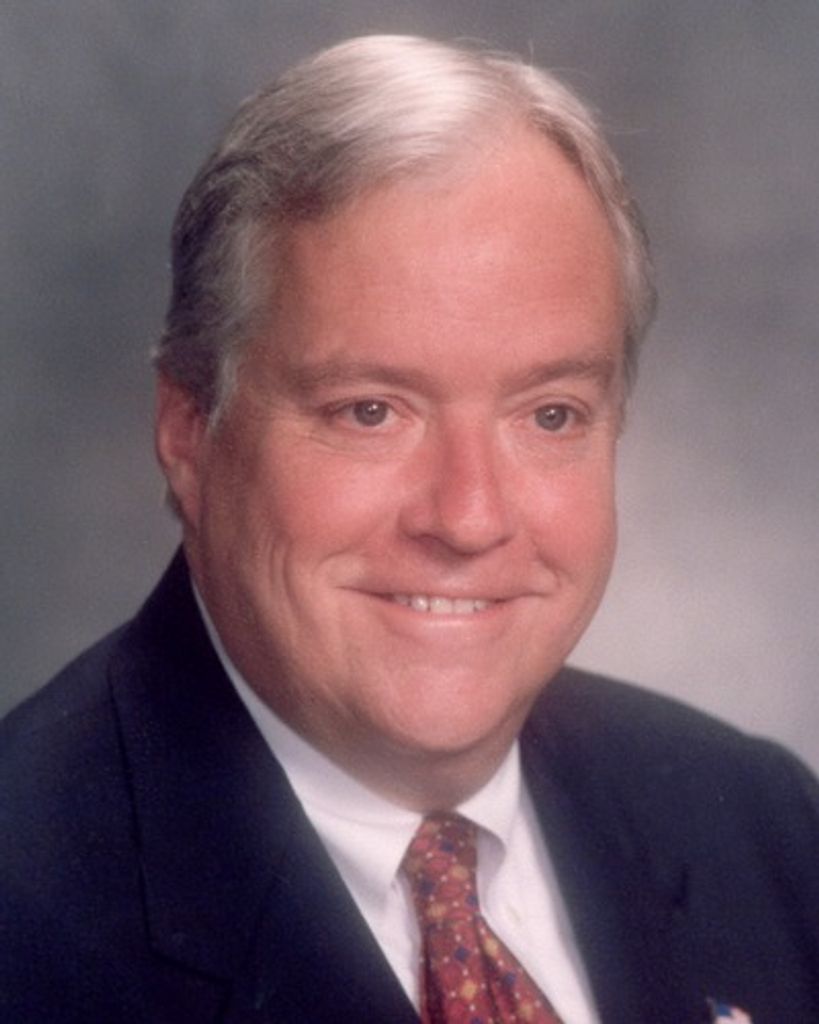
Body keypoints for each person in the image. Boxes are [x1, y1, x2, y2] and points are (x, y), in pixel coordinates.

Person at [1, 34, 817, 1024]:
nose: (469, 517)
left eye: (549, 414)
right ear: (188, 433)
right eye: (370, 411)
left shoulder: (764, 828)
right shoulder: (25, 916)